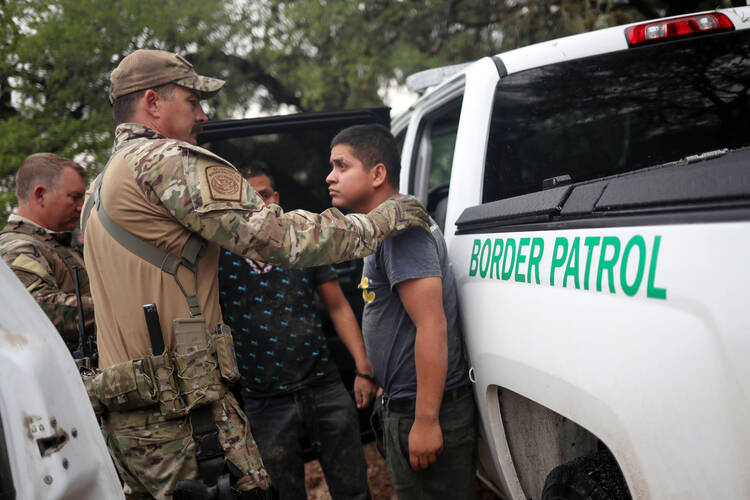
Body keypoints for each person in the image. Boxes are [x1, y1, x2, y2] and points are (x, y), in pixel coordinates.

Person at [81, 49, 429, 499]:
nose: (203, 115)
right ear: (152, 102)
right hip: (184, 422)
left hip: (131, 421)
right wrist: (383, 220)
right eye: (192, 101)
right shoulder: (165, 161)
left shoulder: (100, 186)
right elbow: (279, 238)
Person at [326, 124, 477, 500]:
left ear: (378, 173)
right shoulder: (383, 227)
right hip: (406, 404)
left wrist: (426, 420)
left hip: (424, 410)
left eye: (342, 166)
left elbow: (432, 326)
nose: (330, 177)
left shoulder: (401, 232)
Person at [219, 161, 377, 500]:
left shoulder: (301, 246)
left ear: (275, 197)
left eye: (263, 194)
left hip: (325, 386)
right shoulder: (219, 257)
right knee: (283, 494)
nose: (257, 204)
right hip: (264, 400)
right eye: (248, 197)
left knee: (354, 492)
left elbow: (338, 306)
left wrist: (364, 368)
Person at [0, 153, 94, 354]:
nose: (81, 207)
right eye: (74, 197)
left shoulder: (53, 244)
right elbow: (38, 310)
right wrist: (115, 306)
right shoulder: (18, 247)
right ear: (40, 195)